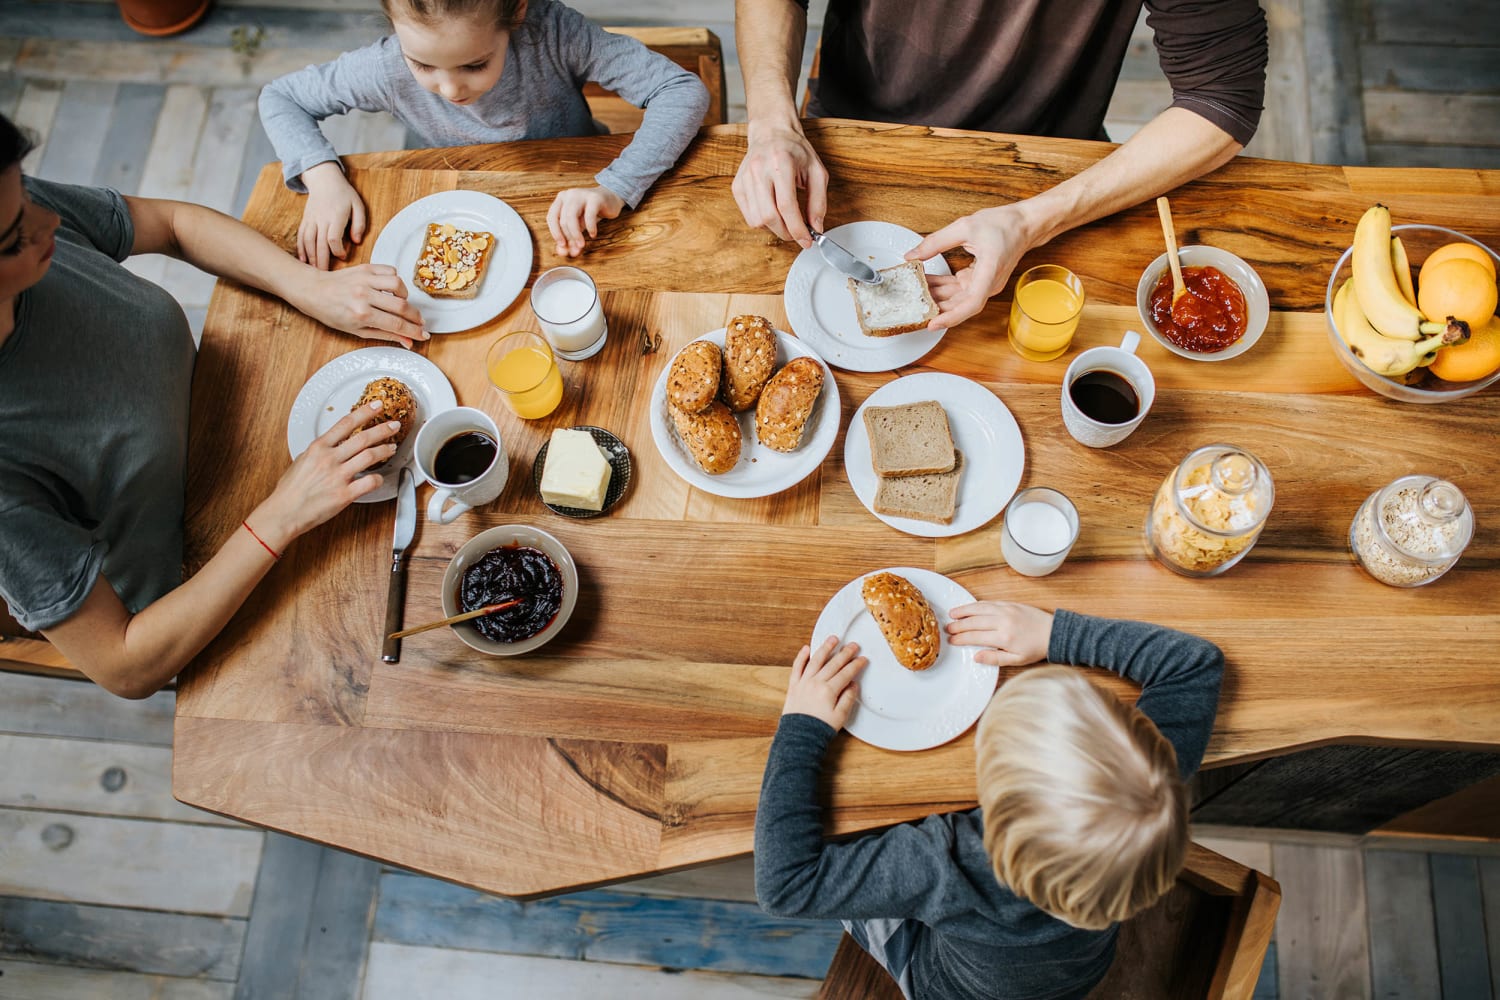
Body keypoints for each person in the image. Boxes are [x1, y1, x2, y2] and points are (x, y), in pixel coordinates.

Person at [0, 112, 427, 699]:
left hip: (251, 416)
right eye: (12, 235)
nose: (48, 219)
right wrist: (283, 513)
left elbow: (173, 223)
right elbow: (126, 666)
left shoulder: (21, 221)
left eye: (25, 194)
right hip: (211, 585)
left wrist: (307, 286)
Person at [755, 600, 1224, 999]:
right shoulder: (1150, 776)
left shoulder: (950, 865)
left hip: (944, 983)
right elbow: (1193, 664)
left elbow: (786, 886)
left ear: (998, 807)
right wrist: (1054, 632)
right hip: (1077, 974)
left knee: (841, 845)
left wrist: (803, 725)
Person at [732, 0, 1269, 331]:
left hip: (1047, 173)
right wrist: (773, 122)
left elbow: (1222, 100)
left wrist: (1033, 220)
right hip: (846, 141)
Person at [259, 0, 710, 269]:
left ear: (517, 12)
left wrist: (615, 186)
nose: (451, 89)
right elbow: (279, 98)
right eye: (422, 65)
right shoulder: (382, 68)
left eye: (474, 65)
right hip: (456, 200)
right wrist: (322, 177)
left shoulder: (552, 33)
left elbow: (681, 90)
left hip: (576, 192)